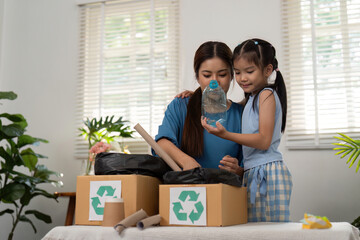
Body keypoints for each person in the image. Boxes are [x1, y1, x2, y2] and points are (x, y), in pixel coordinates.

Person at [201, 38, 292, 222]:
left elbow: (264, 140)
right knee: (255, 229)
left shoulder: (266, 95)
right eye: (237, 72)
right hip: (253, 172)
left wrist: (226, 135)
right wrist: (192, 92)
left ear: (267, 70)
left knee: (270, 232)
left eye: (249, 71)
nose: (242, 78)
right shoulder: (252, 99)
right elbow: (231, 105)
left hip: (267, 173)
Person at [153, 41, 244, 176]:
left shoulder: (241, 115)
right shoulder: (180, 105)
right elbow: (161, 143)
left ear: (232, 76)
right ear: (197, 77)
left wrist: (238, 171)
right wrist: (186, 161)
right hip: (188, 192)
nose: (214, 81)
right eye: (207, 75)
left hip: (224, 193)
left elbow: (250, 165)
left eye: (222, 74)